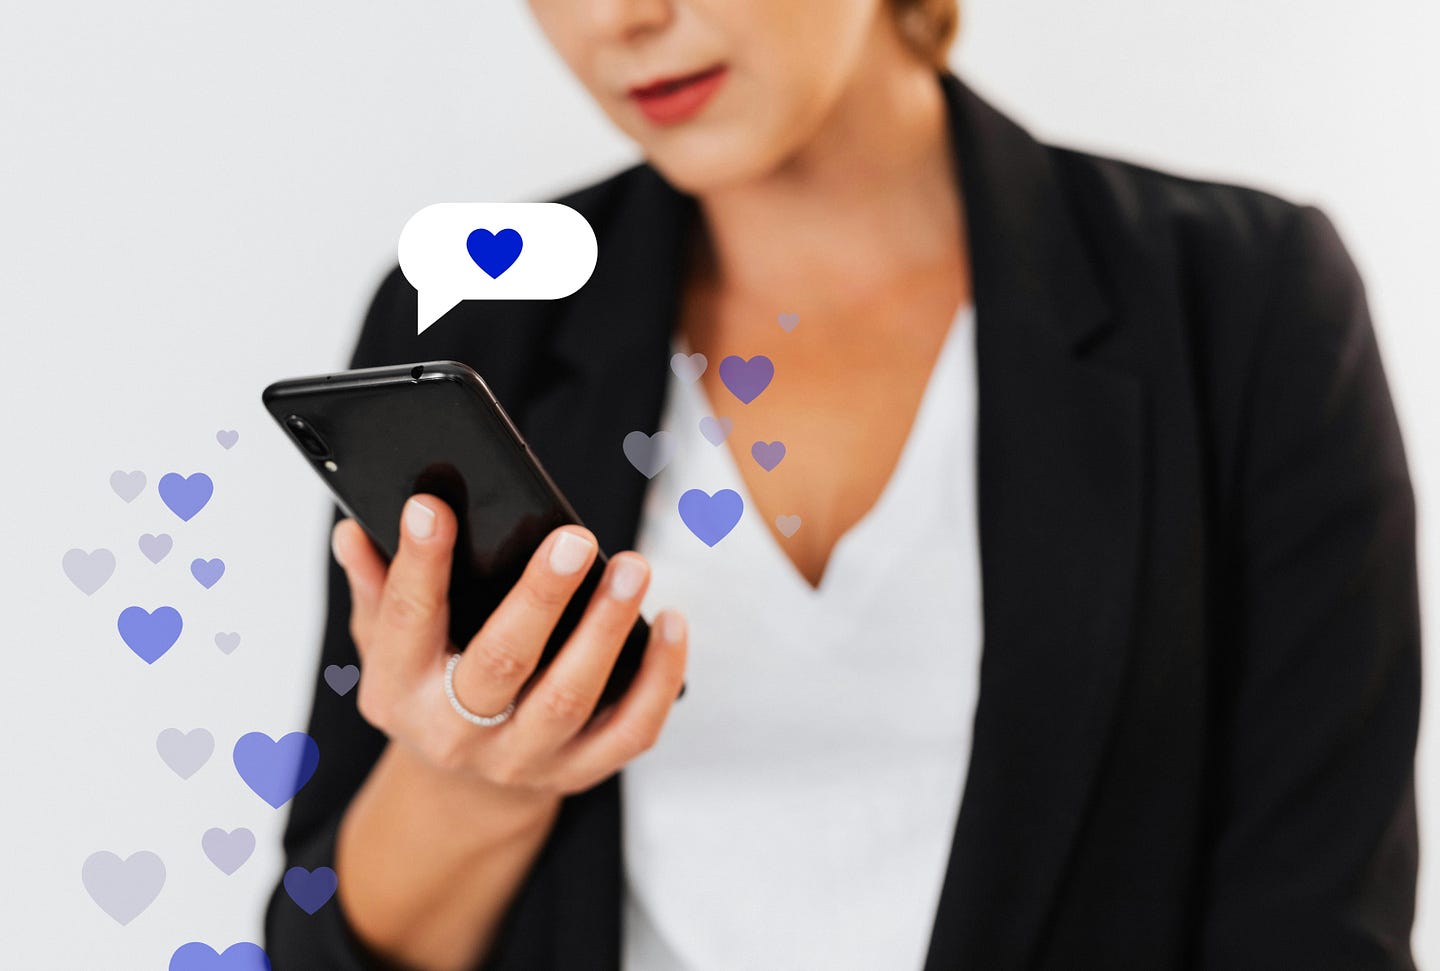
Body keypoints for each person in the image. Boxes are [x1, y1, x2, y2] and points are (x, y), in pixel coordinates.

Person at [264, 0, 1422, 968]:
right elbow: (315, 941)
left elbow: (1317, 921)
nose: (621, 20)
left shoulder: (1243, 305)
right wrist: (472, 781)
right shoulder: (476, 321)